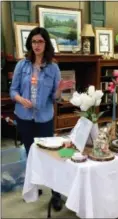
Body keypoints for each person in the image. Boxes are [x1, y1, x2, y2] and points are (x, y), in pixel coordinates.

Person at [10, 27, 74, 211]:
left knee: (52, 156)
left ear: (46, 44)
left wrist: (60, 89)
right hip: (24, 117)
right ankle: (33, 188)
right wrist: (21, 99)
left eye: (40, 41)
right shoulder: (22, 65)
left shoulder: (53, 68)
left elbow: (55, 98)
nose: (37, 45)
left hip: (44, 118)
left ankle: (56, 194)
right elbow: (13, 90)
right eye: (33, 42)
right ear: (30, 44)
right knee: (31, 155)